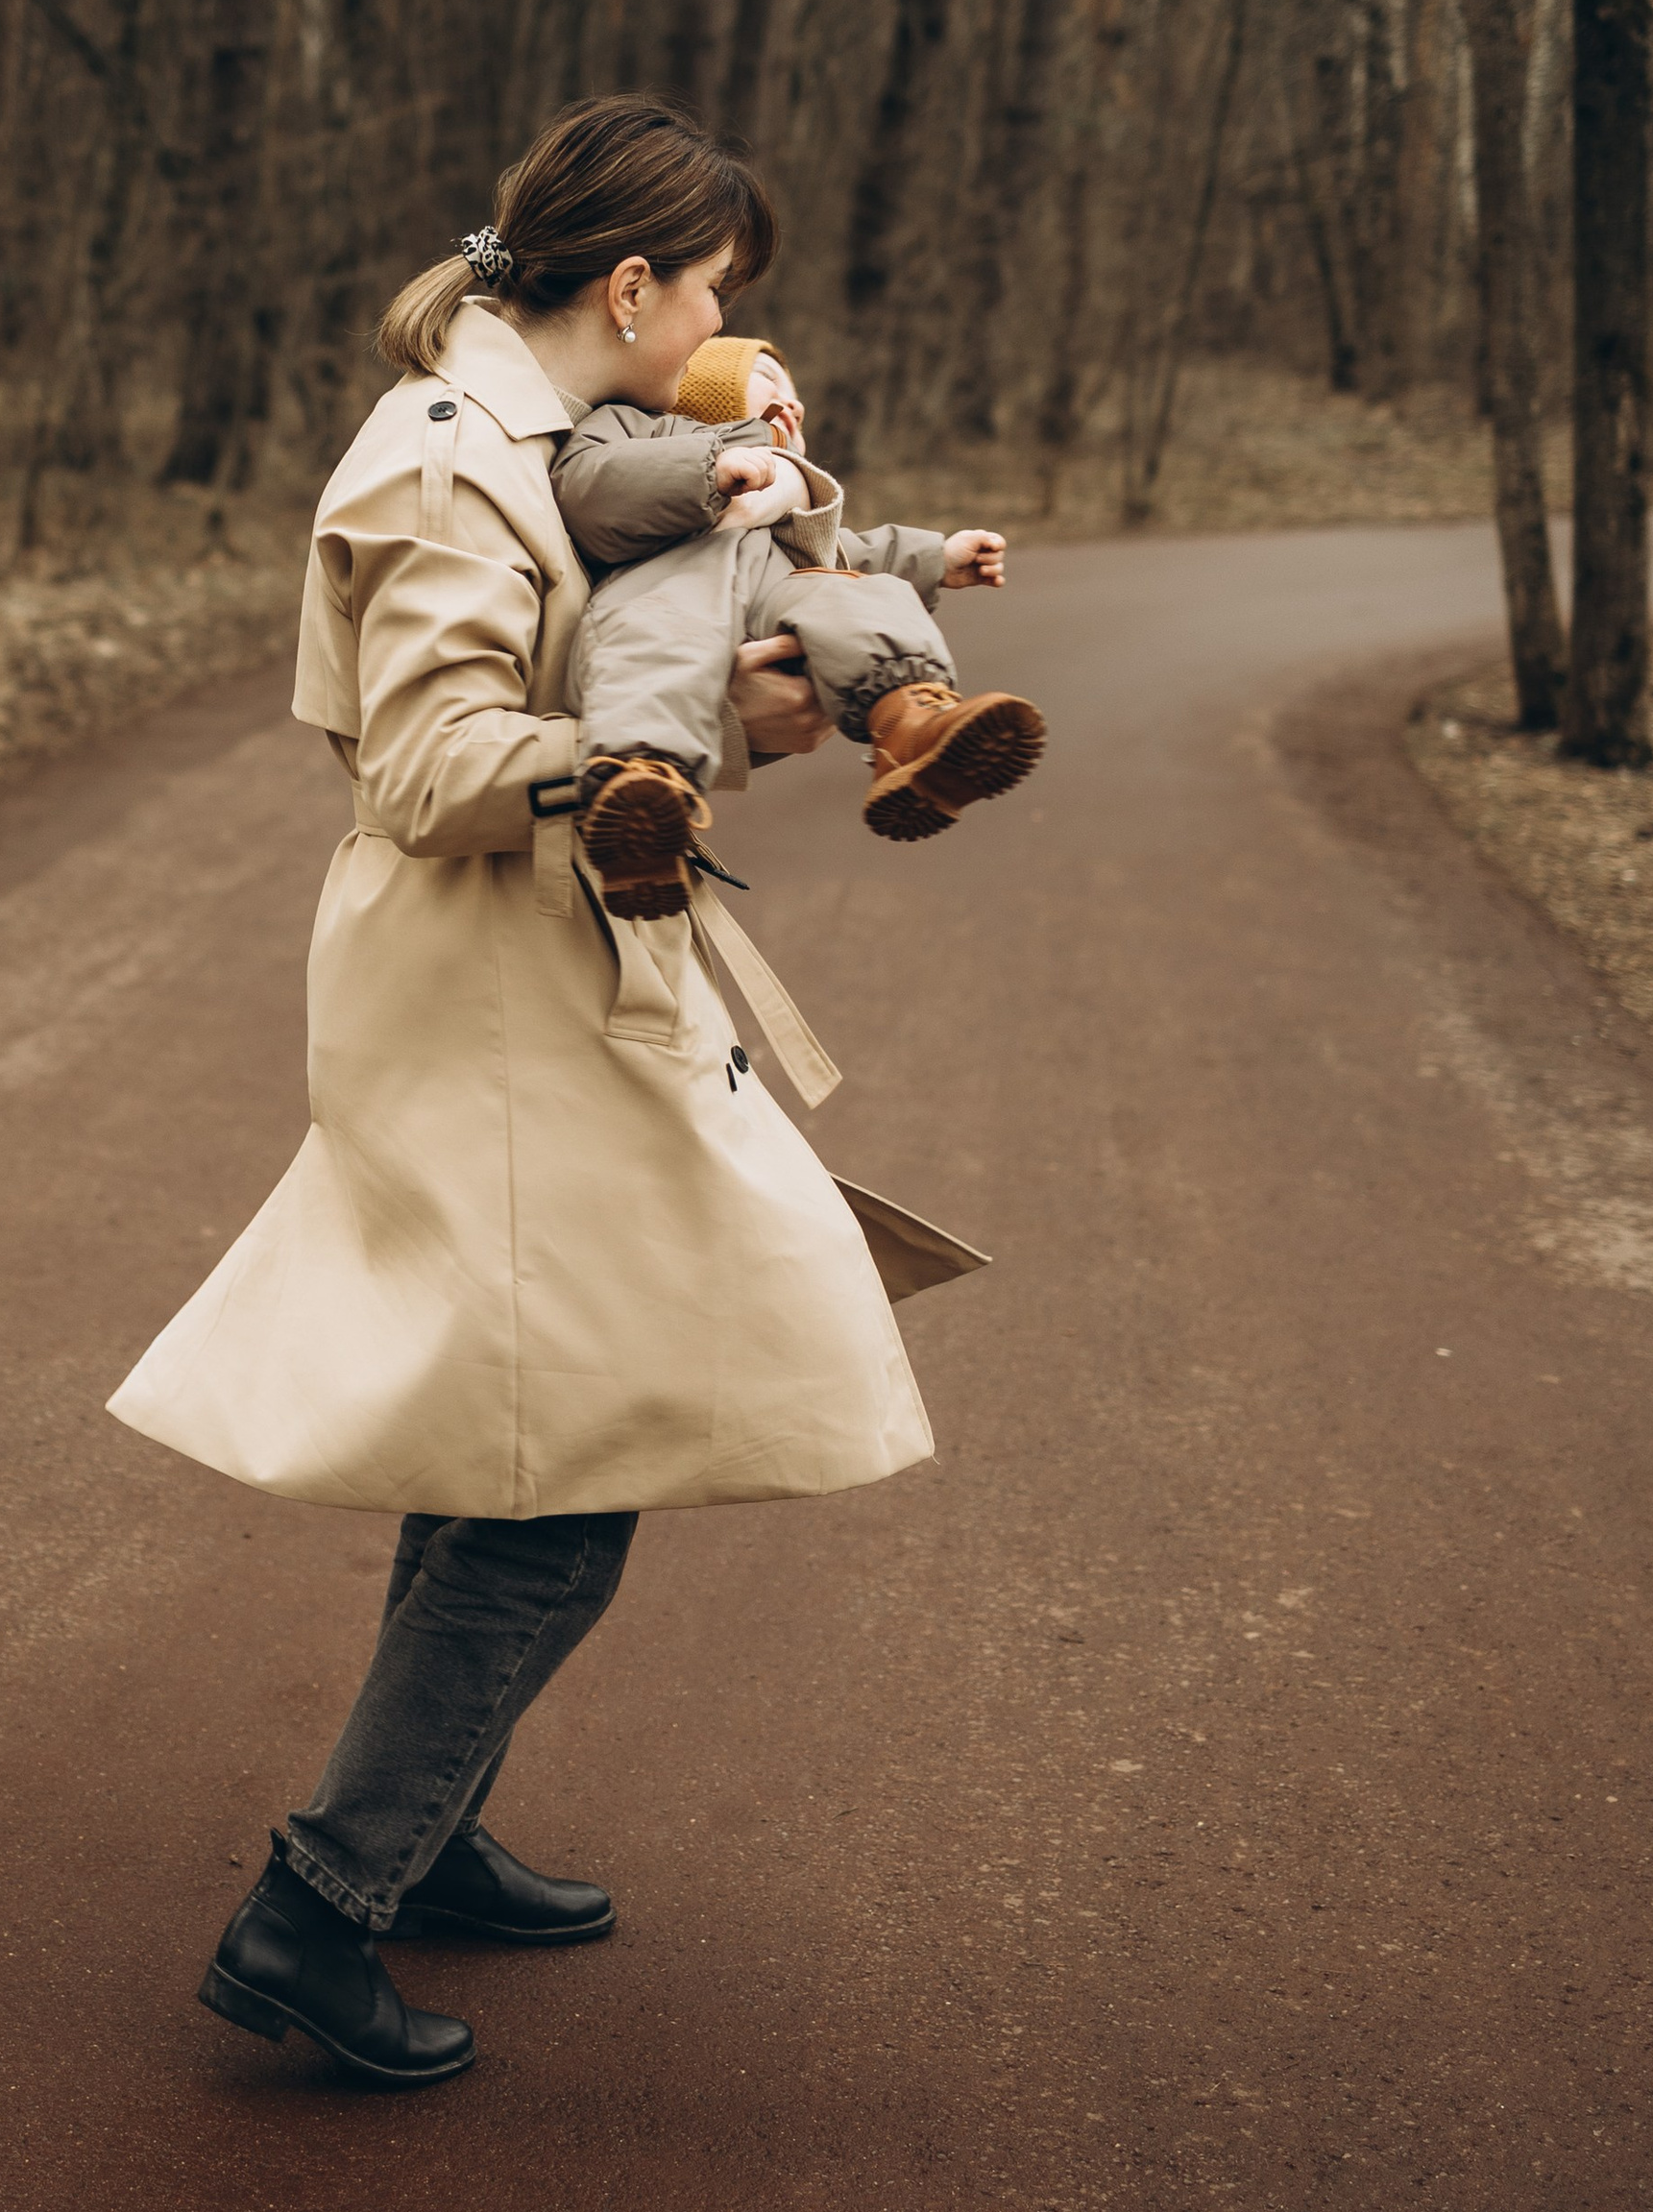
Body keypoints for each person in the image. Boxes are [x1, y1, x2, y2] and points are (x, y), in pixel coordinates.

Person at [107, 101, 940, 2091]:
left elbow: (591, 688)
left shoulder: (554, 457)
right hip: (481, 1001)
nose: (732, 325)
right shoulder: (439, 464)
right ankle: (314, 1913)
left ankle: (419, 1825)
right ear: (630, 286)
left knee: (513, 1422)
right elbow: (428, 764)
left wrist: (738, 719)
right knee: (561, 1479)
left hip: (539, 983)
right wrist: (628, 760)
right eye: (717, 289)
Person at [553, 328, 1046, 918]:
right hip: (667, 595)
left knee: (859, 596)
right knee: (656, 655)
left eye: (797, 396)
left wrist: (939, 559)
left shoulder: (791, 513)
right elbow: (588, 490)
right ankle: (638, 794)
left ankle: (909, 726)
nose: (794, 402)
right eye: (769, 383)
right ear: (702, 390)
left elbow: (851, 551)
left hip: (778, 604)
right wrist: (708, 465)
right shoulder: (643, 428)